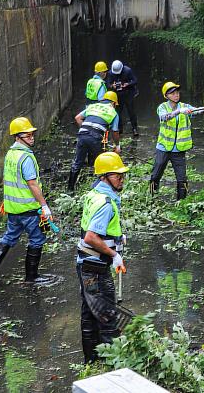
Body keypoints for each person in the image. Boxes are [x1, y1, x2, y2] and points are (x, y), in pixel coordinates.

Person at [0, 117, 55, 286]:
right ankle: (31, 277)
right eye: (27, 135)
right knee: (37, 239)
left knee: (8, 238)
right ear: (17, 137)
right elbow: (32, 184)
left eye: (31, 134)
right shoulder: (26, 158)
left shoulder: (11, 155)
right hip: (29, 210)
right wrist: (44, 205)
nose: (31, 137)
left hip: (13, 210)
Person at [76, 152, 129, 363]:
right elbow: (90, 236)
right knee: (107, 317)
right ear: (103, 177)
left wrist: (116, 238)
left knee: (89, 313)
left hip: (85, 263)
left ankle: (90, 361)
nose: (121, 179)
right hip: (95, 268)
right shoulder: (106, 203)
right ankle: (111, 367)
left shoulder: (94, 195)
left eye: (122, 175)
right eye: (117, 176)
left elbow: (95, 229)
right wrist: (114, 254)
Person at [150, 82, 204, 200]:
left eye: (177, 93)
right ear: (166, 96)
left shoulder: (185, 106)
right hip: (163, 148)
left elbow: (197, 111)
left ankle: (182, 202)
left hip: (179, 149)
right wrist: (179, 112)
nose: (176, 95)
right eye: (173, 93)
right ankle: (152, 196)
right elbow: (164, 117)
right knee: (156, 175)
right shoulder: (162, 107)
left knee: (182, 178)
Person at [68, 91, 121, 191]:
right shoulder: (113, 112)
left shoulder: (93, 106)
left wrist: (85, 130)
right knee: (102, 162)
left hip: (82, 135)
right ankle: (99, 188)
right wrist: (117, 145)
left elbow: (78, 118)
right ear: (114, 103)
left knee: (77, 162)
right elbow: (115, 131)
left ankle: (70, 189)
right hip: (96, 137)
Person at [106, 60, 139, 137]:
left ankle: (134, 128)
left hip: (128, 93)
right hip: (118, 95)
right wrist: (112, 86)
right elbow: (108, 83)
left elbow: (135, 80)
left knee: (131, 111)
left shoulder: (128, 70)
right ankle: (119, 129)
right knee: (118, 112)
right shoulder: (111, 73)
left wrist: (127, 84)